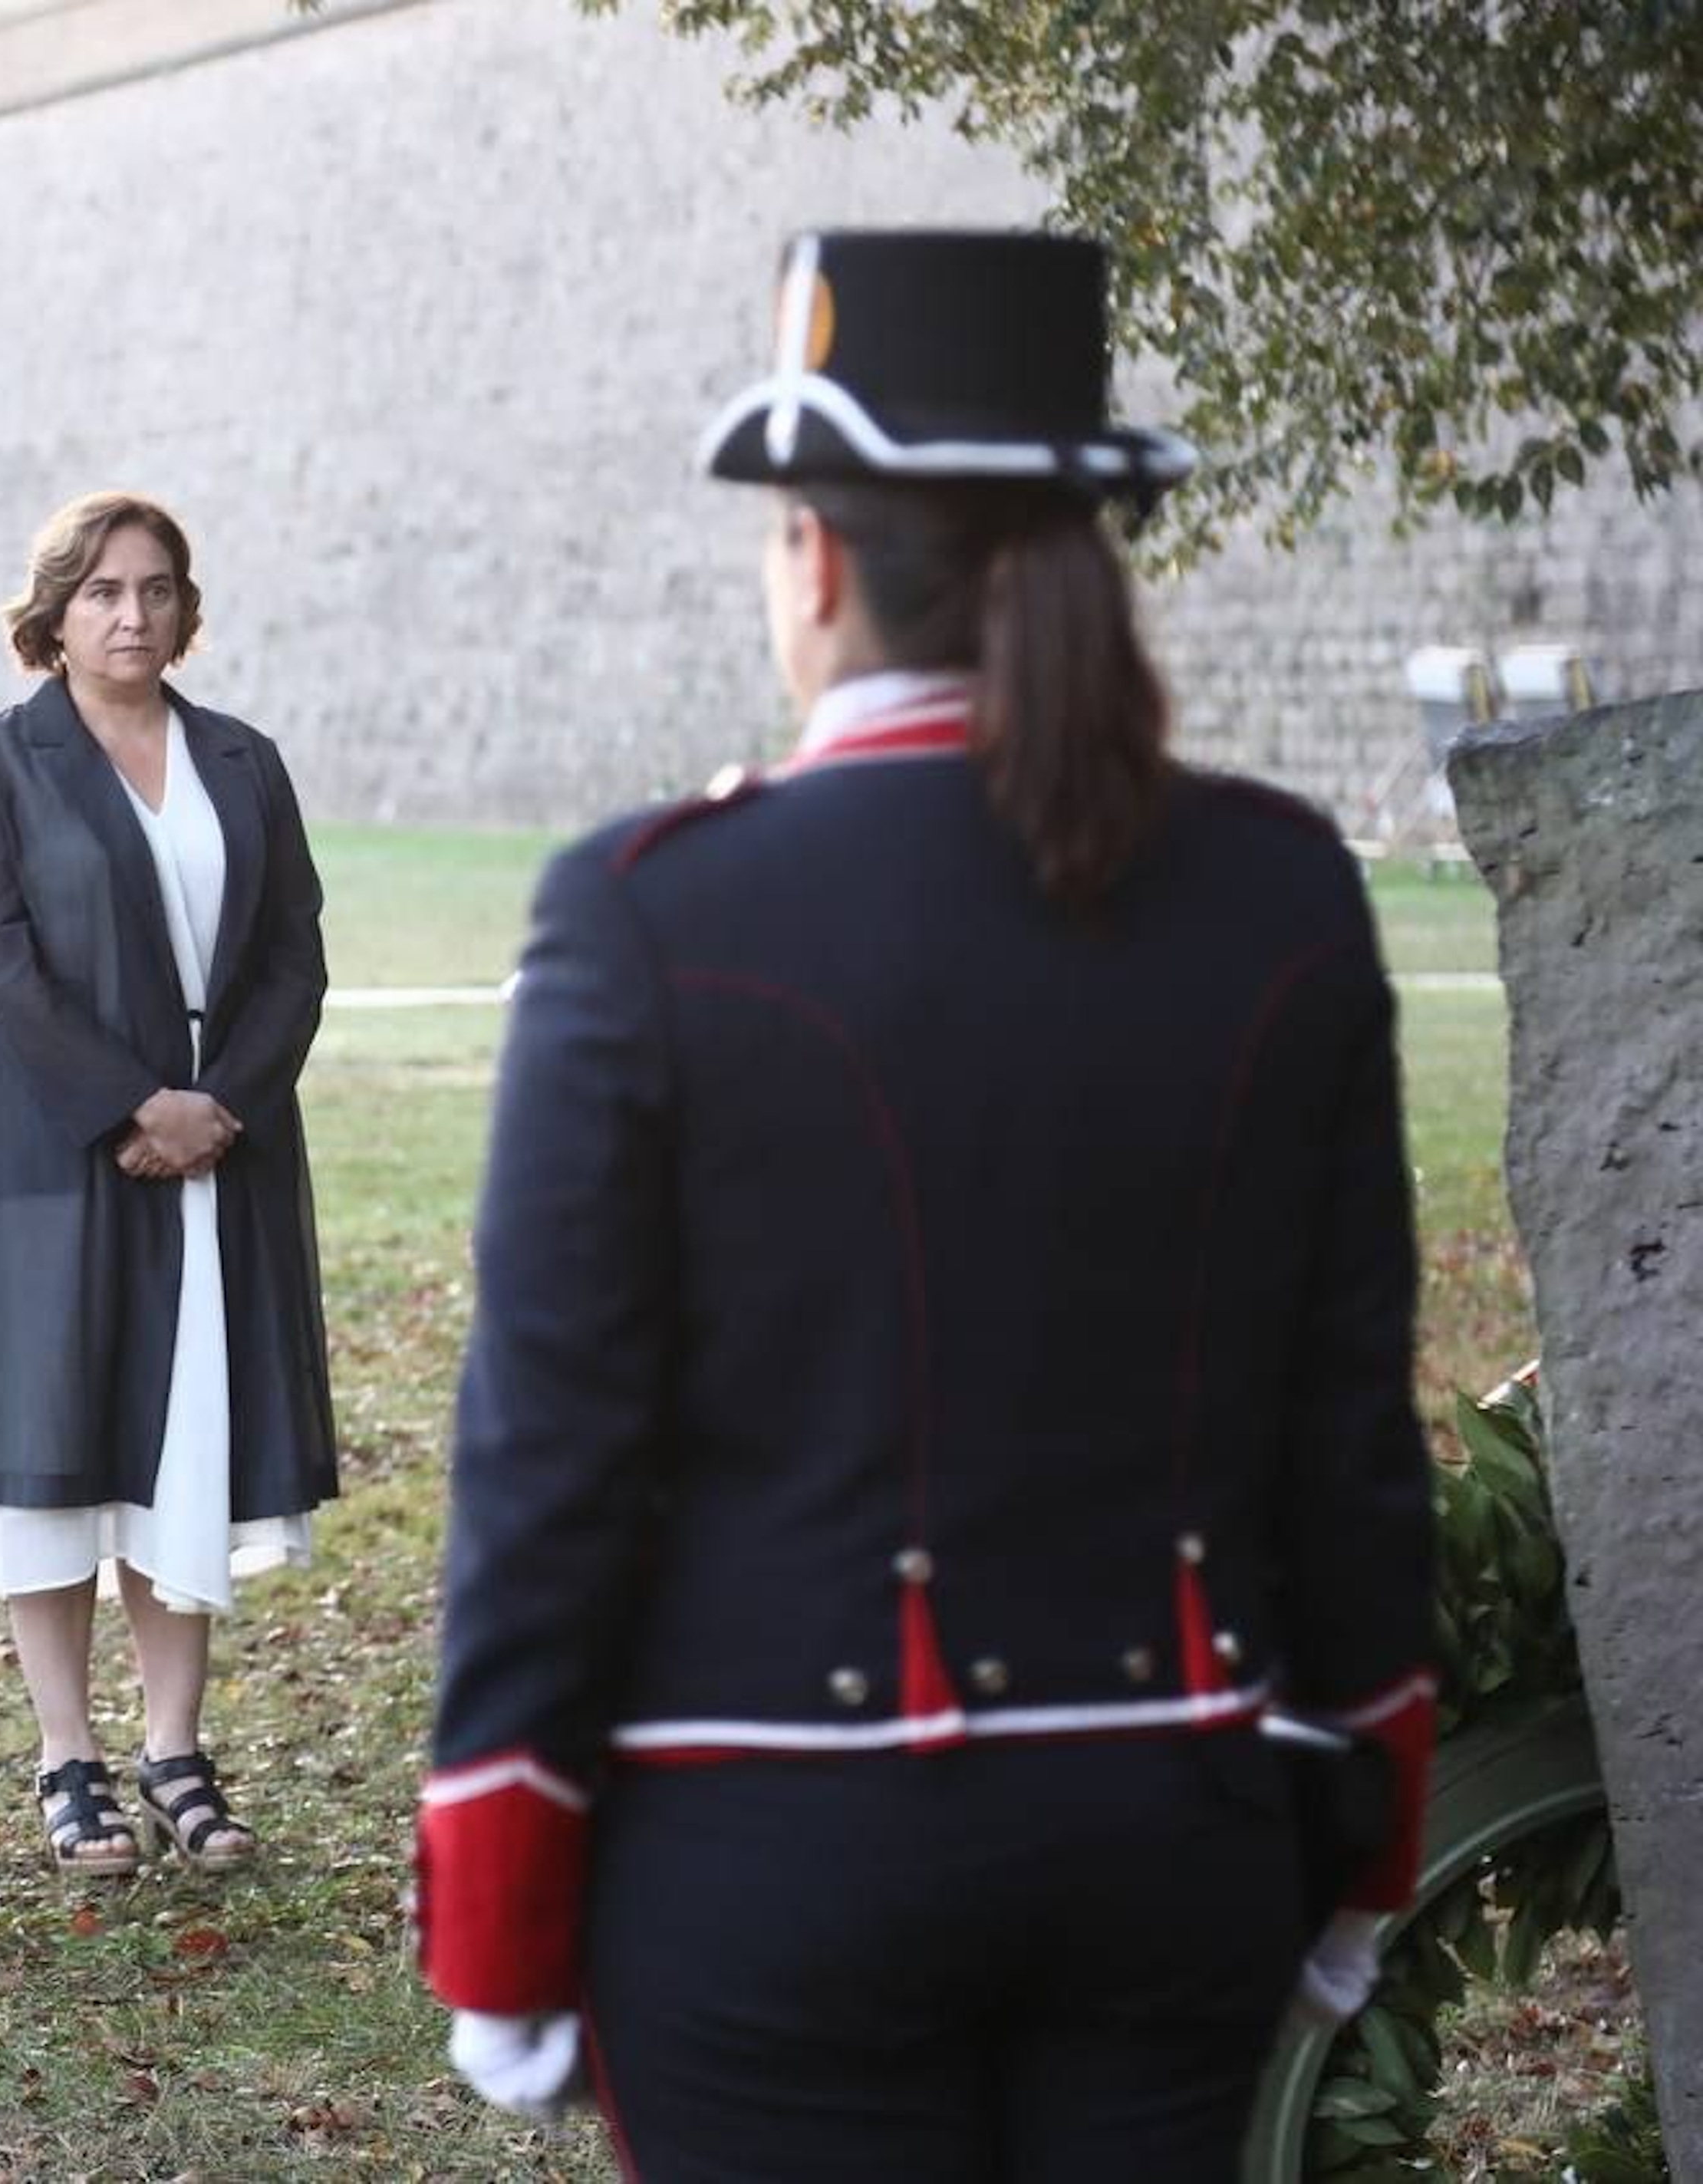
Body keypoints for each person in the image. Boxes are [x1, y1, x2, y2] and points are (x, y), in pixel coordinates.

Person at [413, 231, 1440, 2178]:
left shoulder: (653, 914)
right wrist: (1362, 1834)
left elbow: (548, 1458)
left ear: (811, 559)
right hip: (1180, 1816)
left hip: (768, 1846)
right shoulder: (1282, 895)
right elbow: (1345, 1433)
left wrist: (499, 1891)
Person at [0, 491, 338, 1876]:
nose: (131, 614)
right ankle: (67, 1759)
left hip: (223, 1154)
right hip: (53, 1156)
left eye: (154, 589)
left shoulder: (244, 763)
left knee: (181, 1439)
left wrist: (220, 1108)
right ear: (55, 613)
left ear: (184, 608)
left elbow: (295, 957)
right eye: (101, 591)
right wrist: (127, 1106)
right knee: (55, 1450)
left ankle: (176, 1748)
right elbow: (0, 961)